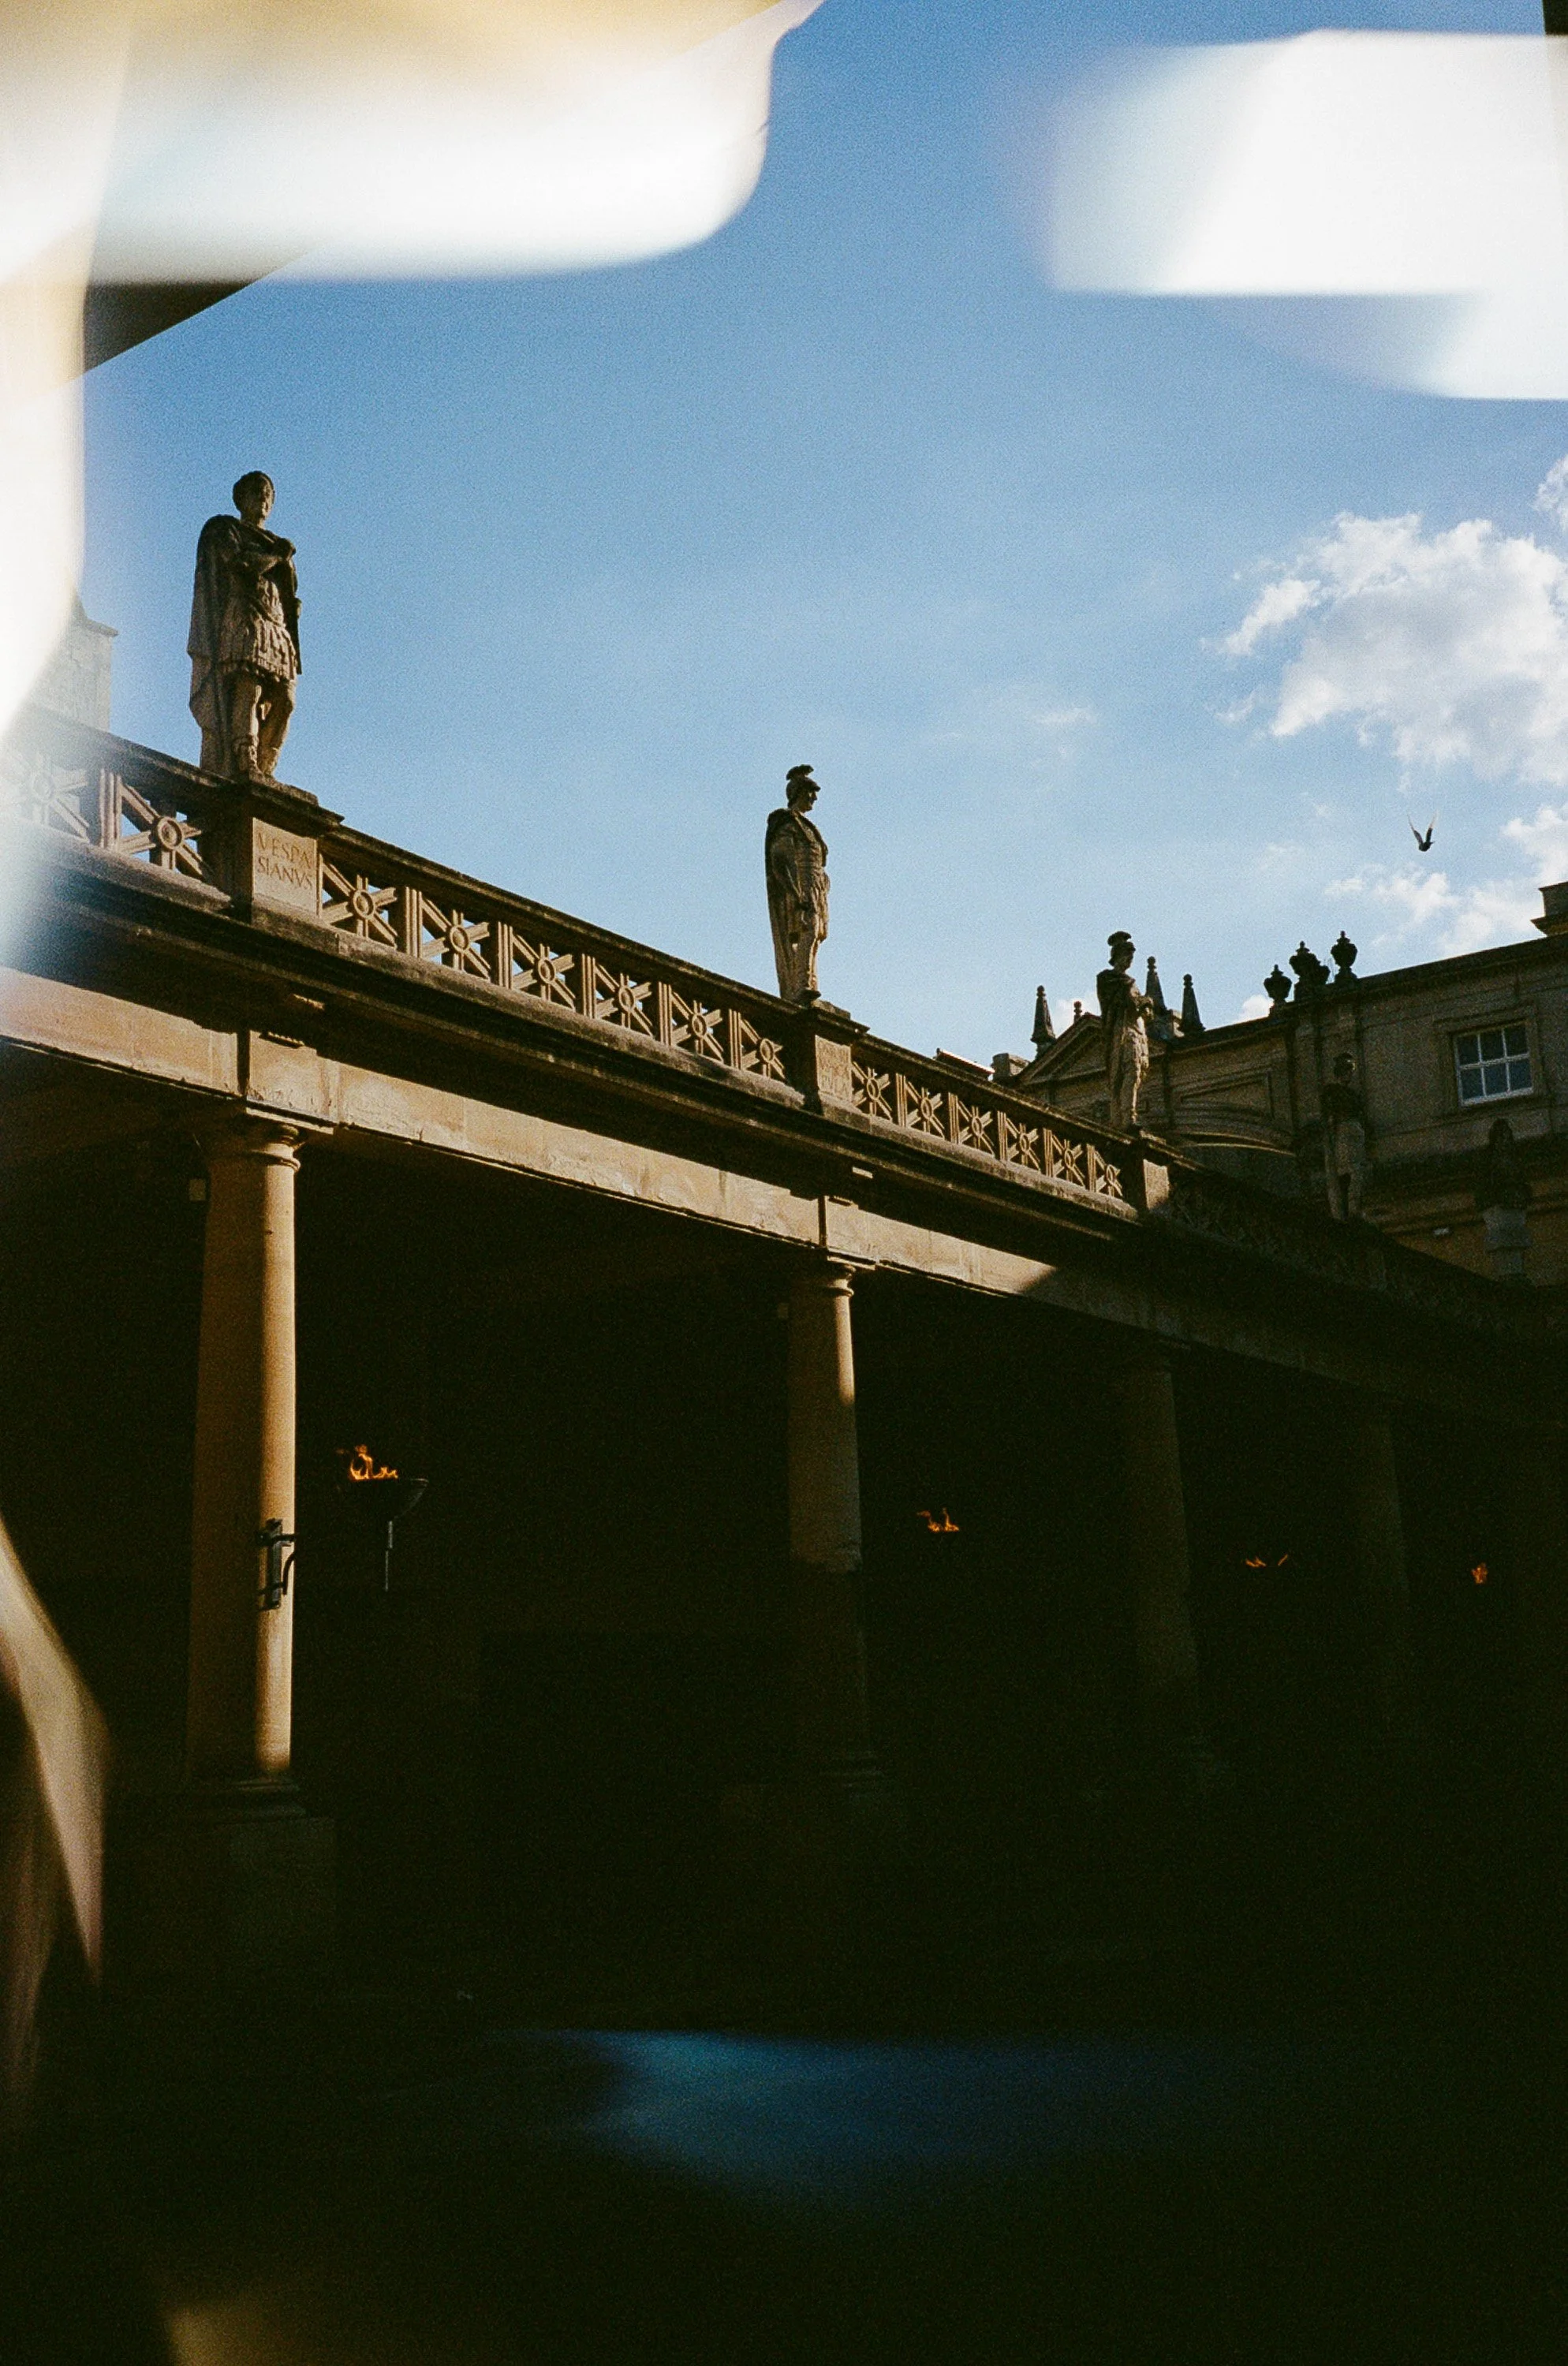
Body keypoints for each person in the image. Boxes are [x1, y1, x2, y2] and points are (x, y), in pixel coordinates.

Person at [188, 472, 301, 781]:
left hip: (276, 626)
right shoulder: (227, 530)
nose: (262, 500)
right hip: (245, 618)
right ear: (241, 499)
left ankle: (267, 765)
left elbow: (288, 592)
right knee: (248, 689)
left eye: (268, 495)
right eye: (256, 493)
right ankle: (245, 758)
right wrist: (277, 556)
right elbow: (241, 568)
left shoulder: (276, 545)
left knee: (285, 700)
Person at [765, 763, 831, 1002]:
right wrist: (794, 892)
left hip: (815, 887)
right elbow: (780, 859)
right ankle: (801, 984)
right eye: (810, 792)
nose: (813, 797)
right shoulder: (787, 823)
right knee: (807, 932)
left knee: (815, 935)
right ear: (797, 793)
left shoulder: (808, 827)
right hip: (801, 888)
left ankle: (808, 981)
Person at [1096, 930, 1152, 1131]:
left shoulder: (1130, 983)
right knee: (1127, 1073)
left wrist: (1146, 1006)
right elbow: (1127, 1003)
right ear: (1117, 957)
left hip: (1138, 1033)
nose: (1129, 959)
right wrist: (1142, 1001)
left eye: (1131, 956)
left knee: (1135, 1074)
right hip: (1123, 1034)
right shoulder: (1108, 979)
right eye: (1127, 955)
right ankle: (1125, 1118)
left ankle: (1125, 1117)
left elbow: (1144, 1013)